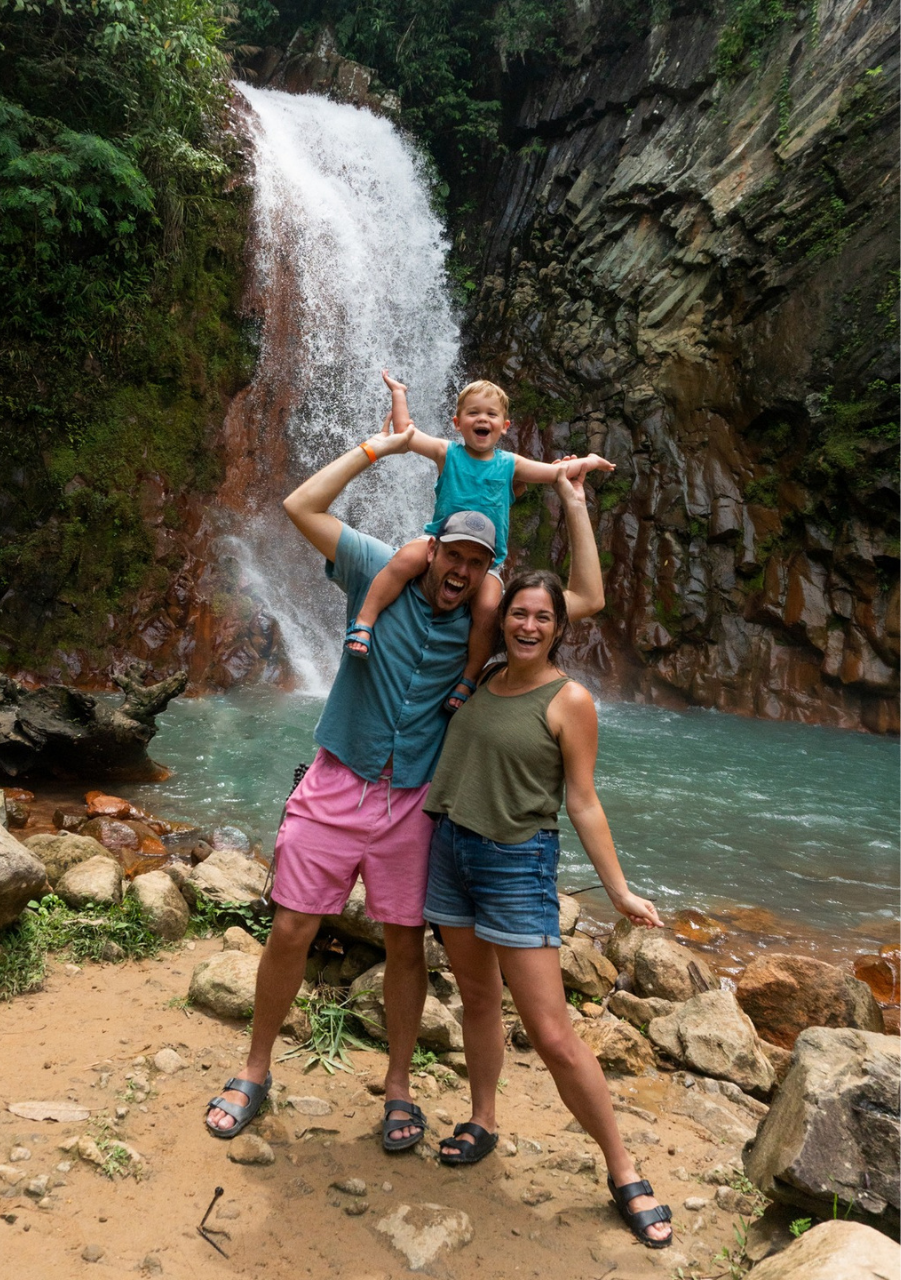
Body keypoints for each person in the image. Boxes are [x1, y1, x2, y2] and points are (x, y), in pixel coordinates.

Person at [205, 419, 607, 1152]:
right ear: (432, 548)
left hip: (413, 805)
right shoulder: (377, 568)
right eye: (451, 554)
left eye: (475, 562)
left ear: (487, 569)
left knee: (402, 946)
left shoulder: (493, 613)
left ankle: (399, 1086)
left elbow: (583, 599)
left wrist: (571, 499)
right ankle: (255, 1069)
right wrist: (381, 448)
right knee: (292, 926)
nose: (459, 571)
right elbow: (301, 507)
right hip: (335, 781)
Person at [421, 479, 674, 1249]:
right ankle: (484, 1117)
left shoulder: (571, 701)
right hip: (451, 851)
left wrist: (622, 890)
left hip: (515, 865)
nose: (527, 624)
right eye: (518, 614)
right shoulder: (485, 675)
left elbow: (584, 802)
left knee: (555, 1033)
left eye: (542, 617)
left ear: (560, 627)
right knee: (473, 999)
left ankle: (624, 1168)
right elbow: (438, 570)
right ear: (503, 621)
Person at [343, 371, 614, 713]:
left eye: (491, 414)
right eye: (473, 413)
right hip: (438, 542)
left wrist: (589, 461)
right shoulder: (447, 453)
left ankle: (468, 679)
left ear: (505, 426)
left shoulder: (510, 465)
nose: (482, 419)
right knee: (402, 561)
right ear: (457, 422)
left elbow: (557, 473)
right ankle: (364, 623)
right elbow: (406, 435)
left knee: (488, 610)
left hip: (486, 562)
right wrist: (399, 393)